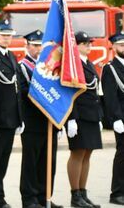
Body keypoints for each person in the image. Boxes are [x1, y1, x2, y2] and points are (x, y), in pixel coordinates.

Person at [17, 30, 62, 208]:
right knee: (31, 162)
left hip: (50, 121)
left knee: (48, 161)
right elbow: (22, 94)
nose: (37, 49)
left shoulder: (51, 66)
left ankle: (45, 197)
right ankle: (29, 199)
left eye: (39, 45)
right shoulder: (22, 66)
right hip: (32, 122)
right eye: (34, 45)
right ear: (27, 46)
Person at [0, 19, 23, 208]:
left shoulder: (11, 56)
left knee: (3, 162)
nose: (7, 38)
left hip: (10, 119)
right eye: (3, 34)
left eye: (9, 35)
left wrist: (19, 117)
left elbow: (15, 89)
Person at [66, 31, 103, 208]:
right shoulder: (73, 64)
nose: (89, 45)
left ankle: (83, 192)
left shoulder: (88, 63)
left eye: (89, 42)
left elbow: (94, 91)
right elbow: (70, 92)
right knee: (78, 153)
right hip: (79, 117)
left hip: (91, 115)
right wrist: (71, 119)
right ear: (76, 45)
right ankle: (75, 195)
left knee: (88, 153)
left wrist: (100, 116)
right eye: (85, 43)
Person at [101, 32, 124, 205]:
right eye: (121, 45)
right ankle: (117, 192)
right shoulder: (110, 68)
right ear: (114, 47)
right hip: (122, 119)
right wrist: (116, 119)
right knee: (122, 155)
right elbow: (110, 96)